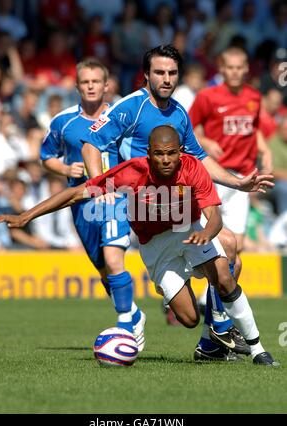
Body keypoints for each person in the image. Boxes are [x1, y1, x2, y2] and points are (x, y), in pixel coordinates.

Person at [0, 125, 279, 366]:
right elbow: (76, 194)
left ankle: (258, 350)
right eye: (159, 154)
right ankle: (196, 322)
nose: (166, 160)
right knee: (189, 318)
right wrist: (26, 215)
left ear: (180, 153)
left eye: (171, 154)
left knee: (225, 276)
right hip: (154, 247)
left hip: (189, 231)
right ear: (149, 154)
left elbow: (214, 216)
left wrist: (208, 233)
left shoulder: (192, 168)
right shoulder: (129, 173)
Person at [79, 44, 274, 361]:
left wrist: (238, 181)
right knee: (108, 264)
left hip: (176, 208)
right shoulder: (132, 107)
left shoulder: (179, 112)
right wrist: (100, 186)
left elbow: (199, 158)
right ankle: (202, 324)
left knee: (230, 251)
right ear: (146, 74)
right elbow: (91, 142)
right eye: (159, 72)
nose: (166, 78)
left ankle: (214, 336)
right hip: (141, 209)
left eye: (171, 72)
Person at [39, 58, 146, 348]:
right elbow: (47, 156)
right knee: (103, 270)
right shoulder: (63, 122)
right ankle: (134, 314)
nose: (90, 86)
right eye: (85, 82)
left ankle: (125, 326)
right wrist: (64, 169)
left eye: (96, 81)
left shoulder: (121, 116)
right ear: (77, 86)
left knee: (114, 261)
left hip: (114, 196)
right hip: (81, 203)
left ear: (106, 86)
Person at [189, 46, 273, 347]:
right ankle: (203, 304)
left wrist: (263, 150)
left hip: (242, 180)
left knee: (235, 251)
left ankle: (211, 307)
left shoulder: (254, 96)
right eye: (230, 67)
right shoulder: (207, 97)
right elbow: (187, 130)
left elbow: (254, 130)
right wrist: (207, 140)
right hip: (214, 176)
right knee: (219, 246)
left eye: (241, 67)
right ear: (221, 69)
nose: (236, 72)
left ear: (246, 68)